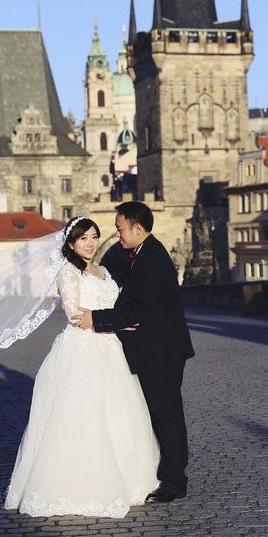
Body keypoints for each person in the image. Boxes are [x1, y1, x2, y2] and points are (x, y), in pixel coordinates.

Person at [4, 217, 159, 518]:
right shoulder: (69, 271)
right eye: (83, 237)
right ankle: (81, 485)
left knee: (118, 413)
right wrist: (116, 320)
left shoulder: (103, 271)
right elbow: (76, 314)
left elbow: (112, 308)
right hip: (83, 348)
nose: (90, 243)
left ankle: (129, 481)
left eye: (94, 236)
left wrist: (121, 322)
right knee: (83, 416)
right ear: (71, 243)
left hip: (110, 347)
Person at [75, 202, 195, 503]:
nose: (117, 234)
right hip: (159, 348)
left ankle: (175, 480)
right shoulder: (145, 254)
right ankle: (169, 474)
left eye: (120, 228)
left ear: (137, 229)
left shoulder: (151, 259)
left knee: (166, 413)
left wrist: (98, 320)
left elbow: (140, 309)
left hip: (161, 351)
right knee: (160, 413)